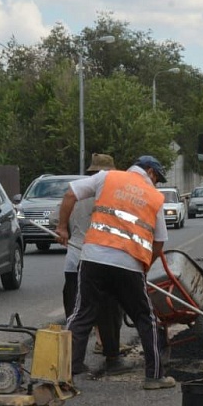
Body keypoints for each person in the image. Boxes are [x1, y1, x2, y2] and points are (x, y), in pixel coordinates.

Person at [55, 154, 175, 390]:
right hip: (129, 264)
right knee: (145, 318)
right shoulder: (154, 197)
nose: (156, 183)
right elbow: (159, 241)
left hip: (93, 258)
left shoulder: (107, 177)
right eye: (157, 178)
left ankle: (62, 376)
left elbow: (70, 194)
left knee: (81, 315)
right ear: (150, 172)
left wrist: (62, 228)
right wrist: (144, 267)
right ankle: (154, 377)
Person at [61, 153, 128, 377]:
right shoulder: (111, 196)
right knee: (109, 311)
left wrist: (64, 230)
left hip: (74, 261)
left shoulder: (76, 194)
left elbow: (57, 222)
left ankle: (71, 361)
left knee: (76, 313)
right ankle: (112, 357)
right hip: (101, 260)